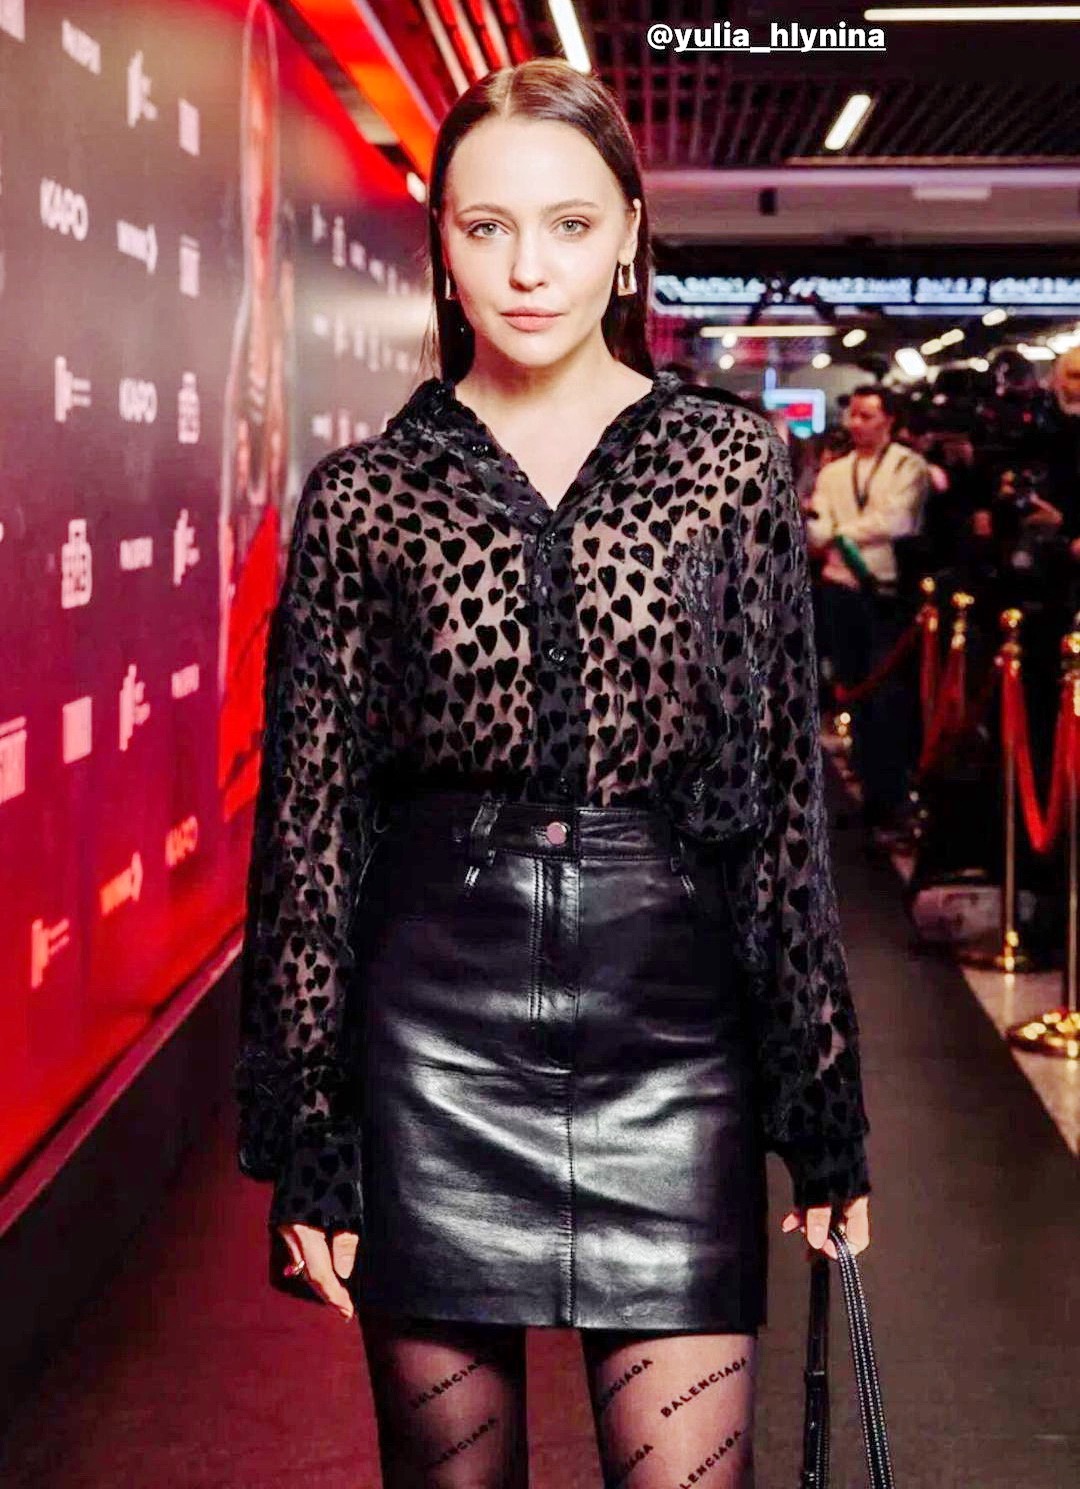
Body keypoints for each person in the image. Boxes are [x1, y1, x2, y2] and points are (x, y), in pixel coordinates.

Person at [234, 58, 872, 1488]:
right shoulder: (366, 497)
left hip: (675, 1041)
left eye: (571, 225)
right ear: (444, 243)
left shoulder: (727, 465)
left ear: (630, 233)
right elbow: (313, 837)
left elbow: (780, 806)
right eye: (488, 227)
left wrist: (822, 1109)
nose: (530, 269)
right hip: (430, 1043)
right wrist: (312, 1130)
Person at [806, 384, 929, 834]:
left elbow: (899, 520)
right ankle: (867, 789)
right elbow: (817, 529)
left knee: (887, 694)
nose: (856, 424)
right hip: (841, 589)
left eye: (867, 416)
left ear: (889, 420)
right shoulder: (833, 472)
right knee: (853, 688)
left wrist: (842, 532)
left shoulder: (907, 464)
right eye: (853, 415)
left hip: (887, 591)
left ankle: (892, 794)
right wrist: (843, 532)